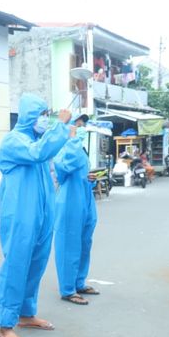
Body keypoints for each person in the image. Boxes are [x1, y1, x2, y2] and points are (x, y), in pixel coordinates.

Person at [0, 93, 71, 337]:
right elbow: (38, 154)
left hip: (41, 214)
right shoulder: (14, 141)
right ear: (28, 115)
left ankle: (26, 314)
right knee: (17, 264)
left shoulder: (37, 140)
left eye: (47, 115)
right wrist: (60, 125)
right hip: (20, 214)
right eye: (41, 114)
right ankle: (6, 325)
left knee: (36, 265)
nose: (44, 120)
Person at [53, 115, 99, 305]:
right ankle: (68, 289)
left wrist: (90, 178)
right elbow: (64, 169)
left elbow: (80, 172)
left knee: (84, 243)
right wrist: (72, 139)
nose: (80, 127)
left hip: (85, 199)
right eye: (77, 124)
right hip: (69, 201)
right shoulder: (64, 148)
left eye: (82, 124)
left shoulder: (79, 148)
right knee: (68, 244)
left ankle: (79, 282)